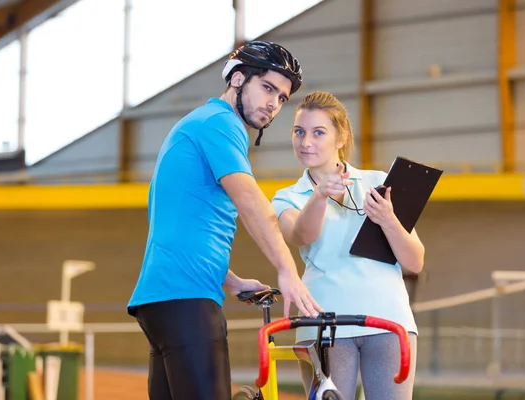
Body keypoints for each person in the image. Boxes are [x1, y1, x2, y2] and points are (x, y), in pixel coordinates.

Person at [126, 41, 322, 400]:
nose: (273, 104)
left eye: (281, 98)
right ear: (236, 78)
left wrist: (229, 280)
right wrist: (287, 270)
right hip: (187, 299)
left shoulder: (199, 125)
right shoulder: (221, 124)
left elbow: (181, 225)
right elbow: (251, 202)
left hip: (163, 301)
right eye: (267, 88)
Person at [271, 91, 423, 400]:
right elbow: (301, 235)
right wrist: (320, 195)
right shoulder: (287, 197)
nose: (305, 142)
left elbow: (415, 261)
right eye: (299, 132)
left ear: (340, 137)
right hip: (324, 325)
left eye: (318, 132)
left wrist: (388, 219)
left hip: (389, 322)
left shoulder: (380, 182)